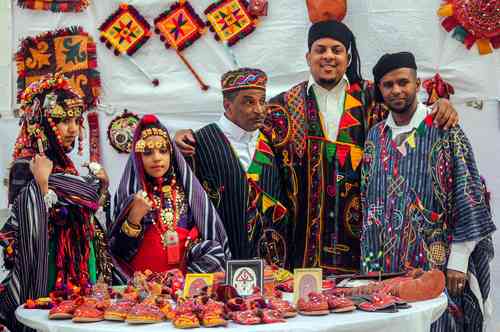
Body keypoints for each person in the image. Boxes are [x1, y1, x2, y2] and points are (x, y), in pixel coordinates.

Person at [360, 52, 495, 331]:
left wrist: (459, 261)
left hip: (435, 264)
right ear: (379, 90)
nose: (396, 90)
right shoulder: (375, 136)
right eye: (388, 85)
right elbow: (369, 200)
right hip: (385, 267)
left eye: (403, 82)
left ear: (417, 83)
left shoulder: (445, 128)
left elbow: (469, 193)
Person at [0, 73, 111, 331]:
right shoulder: (24, 166)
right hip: (47, 271)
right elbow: (23, 231)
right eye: (62, 121)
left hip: (80, 267)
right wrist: (42, 186)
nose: (73, 129)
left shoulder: (67, 167)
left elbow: (86, 206)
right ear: (40, 124)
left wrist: (100, 187)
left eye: (76, 120)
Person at [189, 68, 290, 267]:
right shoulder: (200, 143)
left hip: (272, 269)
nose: (260, 110)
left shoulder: (274, 141)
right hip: (222, 266)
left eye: (262, 101)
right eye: (249, 102)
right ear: (228, 105)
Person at [109, 114, 230, 278]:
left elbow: (207, 238)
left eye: (163, 151)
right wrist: (133, 219)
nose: (157, 158)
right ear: (138, 157)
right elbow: (118, 253)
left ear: (171, 153)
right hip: (143, 286)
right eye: (147, 152)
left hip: (183, 286)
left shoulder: (189, 192)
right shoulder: (132, 196)